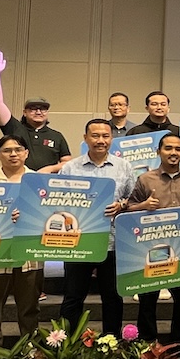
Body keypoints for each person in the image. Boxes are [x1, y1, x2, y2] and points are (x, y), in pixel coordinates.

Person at [125, 133, 180, 359]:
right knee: (147, 300)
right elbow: (128, 209)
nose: (173, 153)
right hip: (150, 250)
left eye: (178, 149)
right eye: (168, 148)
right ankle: (148, 342)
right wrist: (143, 205)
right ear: (158, 151)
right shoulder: (145, 179)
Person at [58, 119, 136, 337]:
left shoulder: (124, 167)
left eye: (105, 136)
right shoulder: (70, 168)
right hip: (78, 243)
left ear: (111, 139)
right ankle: (68, 342)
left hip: (112, 242)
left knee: (112, 296)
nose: (101, 140)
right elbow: (57, 201)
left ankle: (111, 342)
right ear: (85, 138)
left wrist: (121, 205)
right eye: (95, 136)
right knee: (73, 296)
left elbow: (133, 199)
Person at [0, 135, 40, 339]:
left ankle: (30, 349)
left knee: (29, 308)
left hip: (29, 255)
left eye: (18, 149)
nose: (13, 154)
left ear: (26, 153)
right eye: (7, 150)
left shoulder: (39, 183)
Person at [0, 49, 71, 172]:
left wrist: (49, 169)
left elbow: (67, 163)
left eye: (43, 109)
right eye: (33, 109)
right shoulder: (15, 128)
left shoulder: (56, 136)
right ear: (24, 112)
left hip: (45, 181)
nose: (38, 112)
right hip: (17, 179)